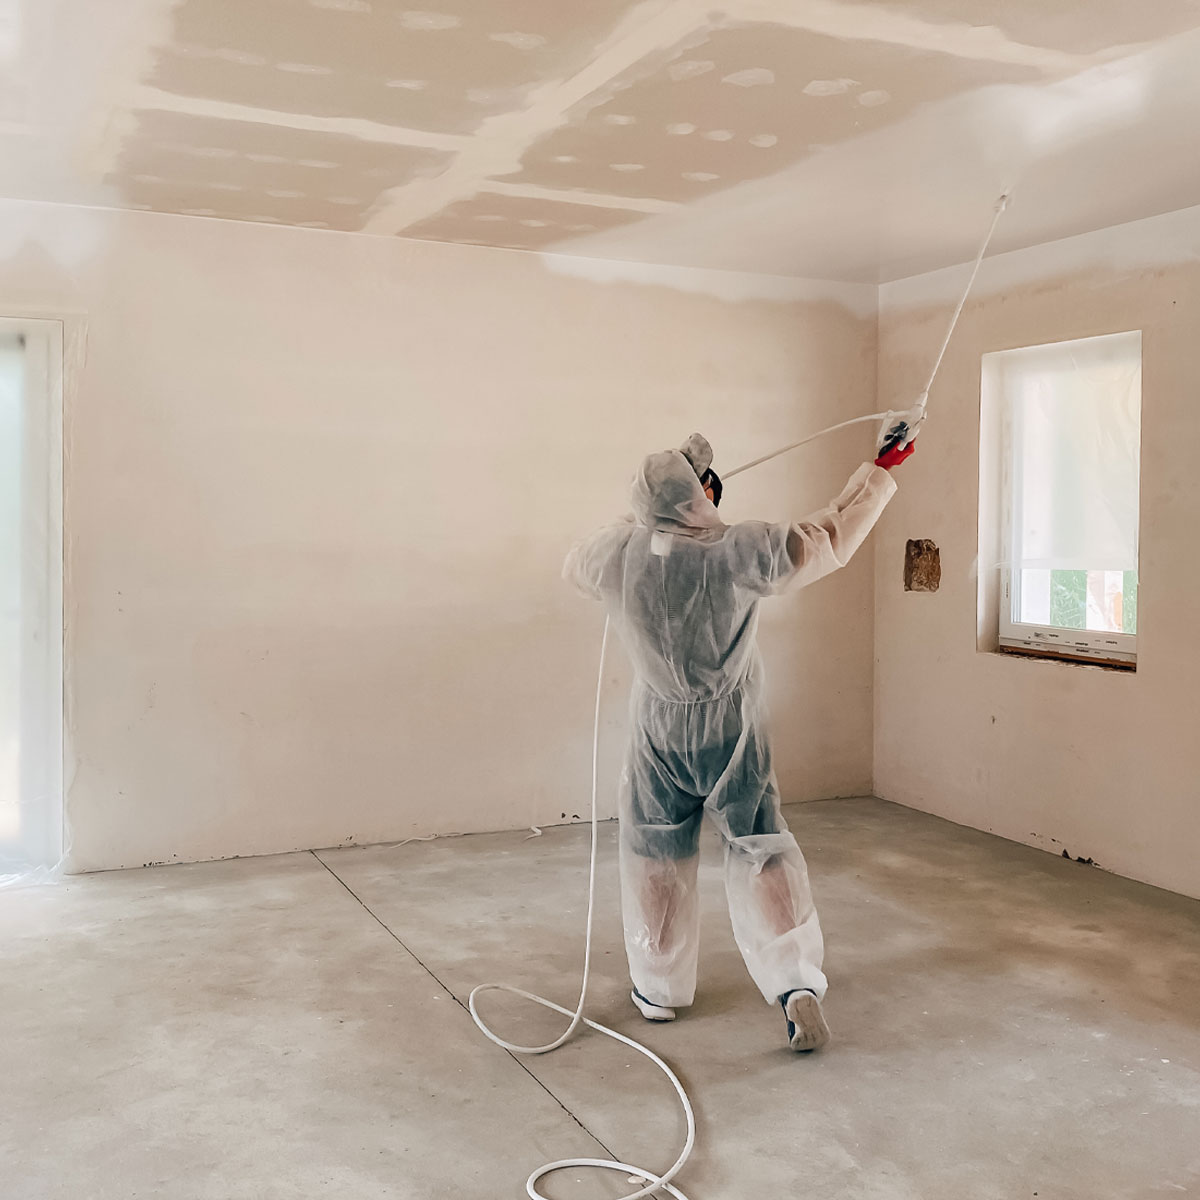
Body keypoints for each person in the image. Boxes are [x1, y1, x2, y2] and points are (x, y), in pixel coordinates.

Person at [563, 427, 914, 1051]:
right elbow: (829, 536)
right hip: (731, 727)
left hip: (658, 730)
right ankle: (795, 984)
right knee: (760, 846)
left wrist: (647, 509)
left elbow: (579, 561)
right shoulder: (740, 549)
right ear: (700, 493)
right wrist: (880, 472)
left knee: (655, 853)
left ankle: (659, 990)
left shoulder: (617, 554)